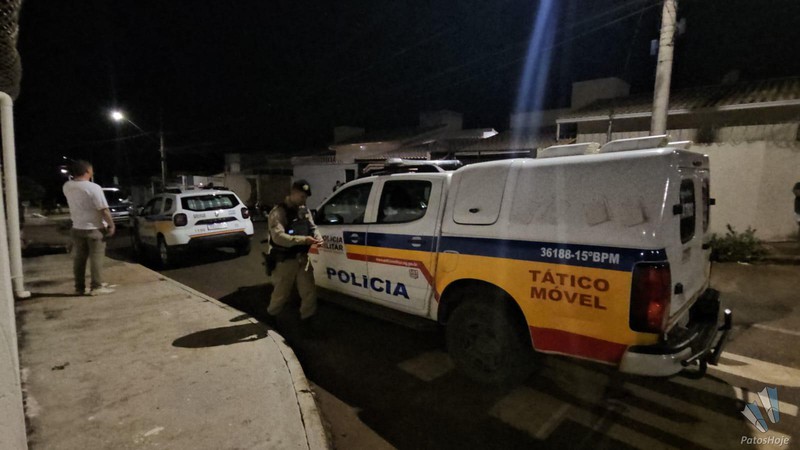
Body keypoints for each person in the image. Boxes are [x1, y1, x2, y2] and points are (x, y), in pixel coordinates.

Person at [266, 179, 324, 327]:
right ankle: (271, 318)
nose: (304, 200)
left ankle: (307, 320)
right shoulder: (278, 212)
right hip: (286, 260)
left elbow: (312, 227)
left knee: (309, 292)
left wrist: (318, 237)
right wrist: (304, 240)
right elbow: (278, 237)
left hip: (303, 259)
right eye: (302, 196)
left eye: (306, 197)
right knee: (281, 293)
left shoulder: (304, 210)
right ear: (293, 193)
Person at [62, 160, 116, 296]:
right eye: (91, 170)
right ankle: (96, 286)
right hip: (94, 228)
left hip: (77, 227)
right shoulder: (93, 188)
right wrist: (111, 224)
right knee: (96, 258)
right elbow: (104, 209)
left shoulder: (67, 186)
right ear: (87, 171)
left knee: (79, 259)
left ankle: (79, 287)